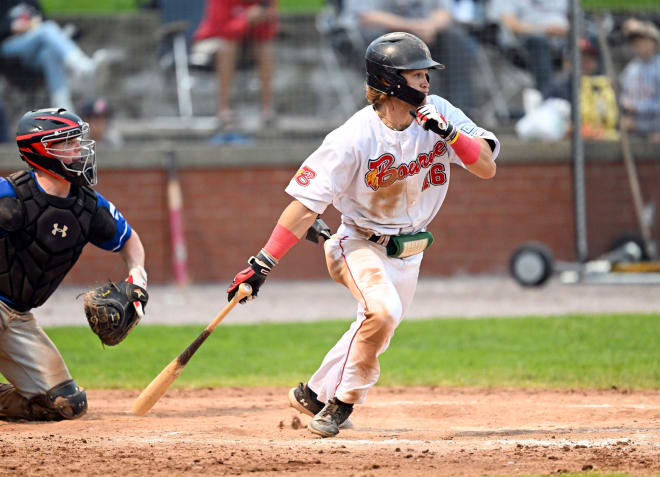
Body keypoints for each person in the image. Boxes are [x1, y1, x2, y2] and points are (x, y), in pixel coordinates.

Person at [226, 32, 499, 437]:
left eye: (426, 74)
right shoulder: (353, 138)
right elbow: (305, 206)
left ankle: (314, 393)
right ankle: (342, 402)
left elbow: (487, 166)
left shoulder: (438, 113)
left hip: (411, 248)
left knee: (377, 327)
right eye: (417, 74)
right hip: (359, 244)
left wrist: (449, 134)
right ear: (391, 82)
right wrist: (262, 263)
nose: (426, 82)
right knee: (383, 312)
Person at [0, 107, 148, 421]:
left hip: (18, 318)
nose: (77, 150)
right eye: (65, 144)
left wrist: (137, 276)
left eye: (76, 141)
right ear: (40, 151)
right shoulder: (9, 195)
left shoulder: (88, 206)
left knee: (65, 403)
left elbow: (129, 240)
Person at [342, 0, 482, 116]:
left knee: (454, 39)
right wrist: (411, 27)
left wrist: (430, 26)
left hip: (424, 38)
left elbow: (445, 12)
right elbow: (367, 16)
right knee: (385, 47)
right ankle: (394, 112)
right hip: (377, 41)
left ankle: (459, 112)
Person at [0, 0, 107, 112]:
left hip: (36, 48)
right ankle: (82, 66)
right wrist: (13, 27)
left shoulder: (31, 2)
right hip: (9, 46)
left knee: (49, 53)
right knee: (47, 29)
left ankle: (63, 107)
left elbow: (43, 21)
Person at [192, 0, 278, 128]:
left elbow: (269, 34)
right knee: (228, 47)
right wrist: (246, 19)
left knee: (265, 49)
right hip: (212, 43)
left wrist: (262, 19)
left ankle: (267, 110)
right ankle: (223, 110)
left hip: (245, 45)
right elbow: (222, 30)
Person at [489, 0, 569, 96]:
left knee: (588, 39)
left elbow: (575, 18)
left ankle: (582, 99)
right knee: (538, 41)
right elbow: (513, 27)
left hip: (563, 47)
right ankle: (548, 98)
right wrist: (546, 30)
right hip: (521, 52)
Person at [619, 18, 660, 143]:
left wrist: (637, 107)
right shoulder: (629, 69)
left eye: (642, 40)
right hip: (635, 129)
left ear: (654, 43)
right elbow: (623, 96)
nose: (638, 44)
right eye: (635, 41)